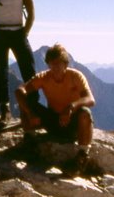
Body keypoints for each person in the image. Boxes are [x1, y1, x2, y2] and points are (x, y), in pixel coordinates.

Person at [15, 43, 96, 171]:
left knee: (85, 113)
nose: (55, 67)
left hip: (72, 124)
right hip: (53, 121)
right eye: (52, 63)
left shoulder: (75, 76)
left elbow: (90, 99)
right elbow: (20, 90)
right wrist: (30, 113)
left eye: (59, 63)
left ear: (65, 64)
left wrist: (71, 106)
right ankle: (29, 142)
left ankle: (82, 155)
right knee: (26, 104)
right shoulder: (44, 77)